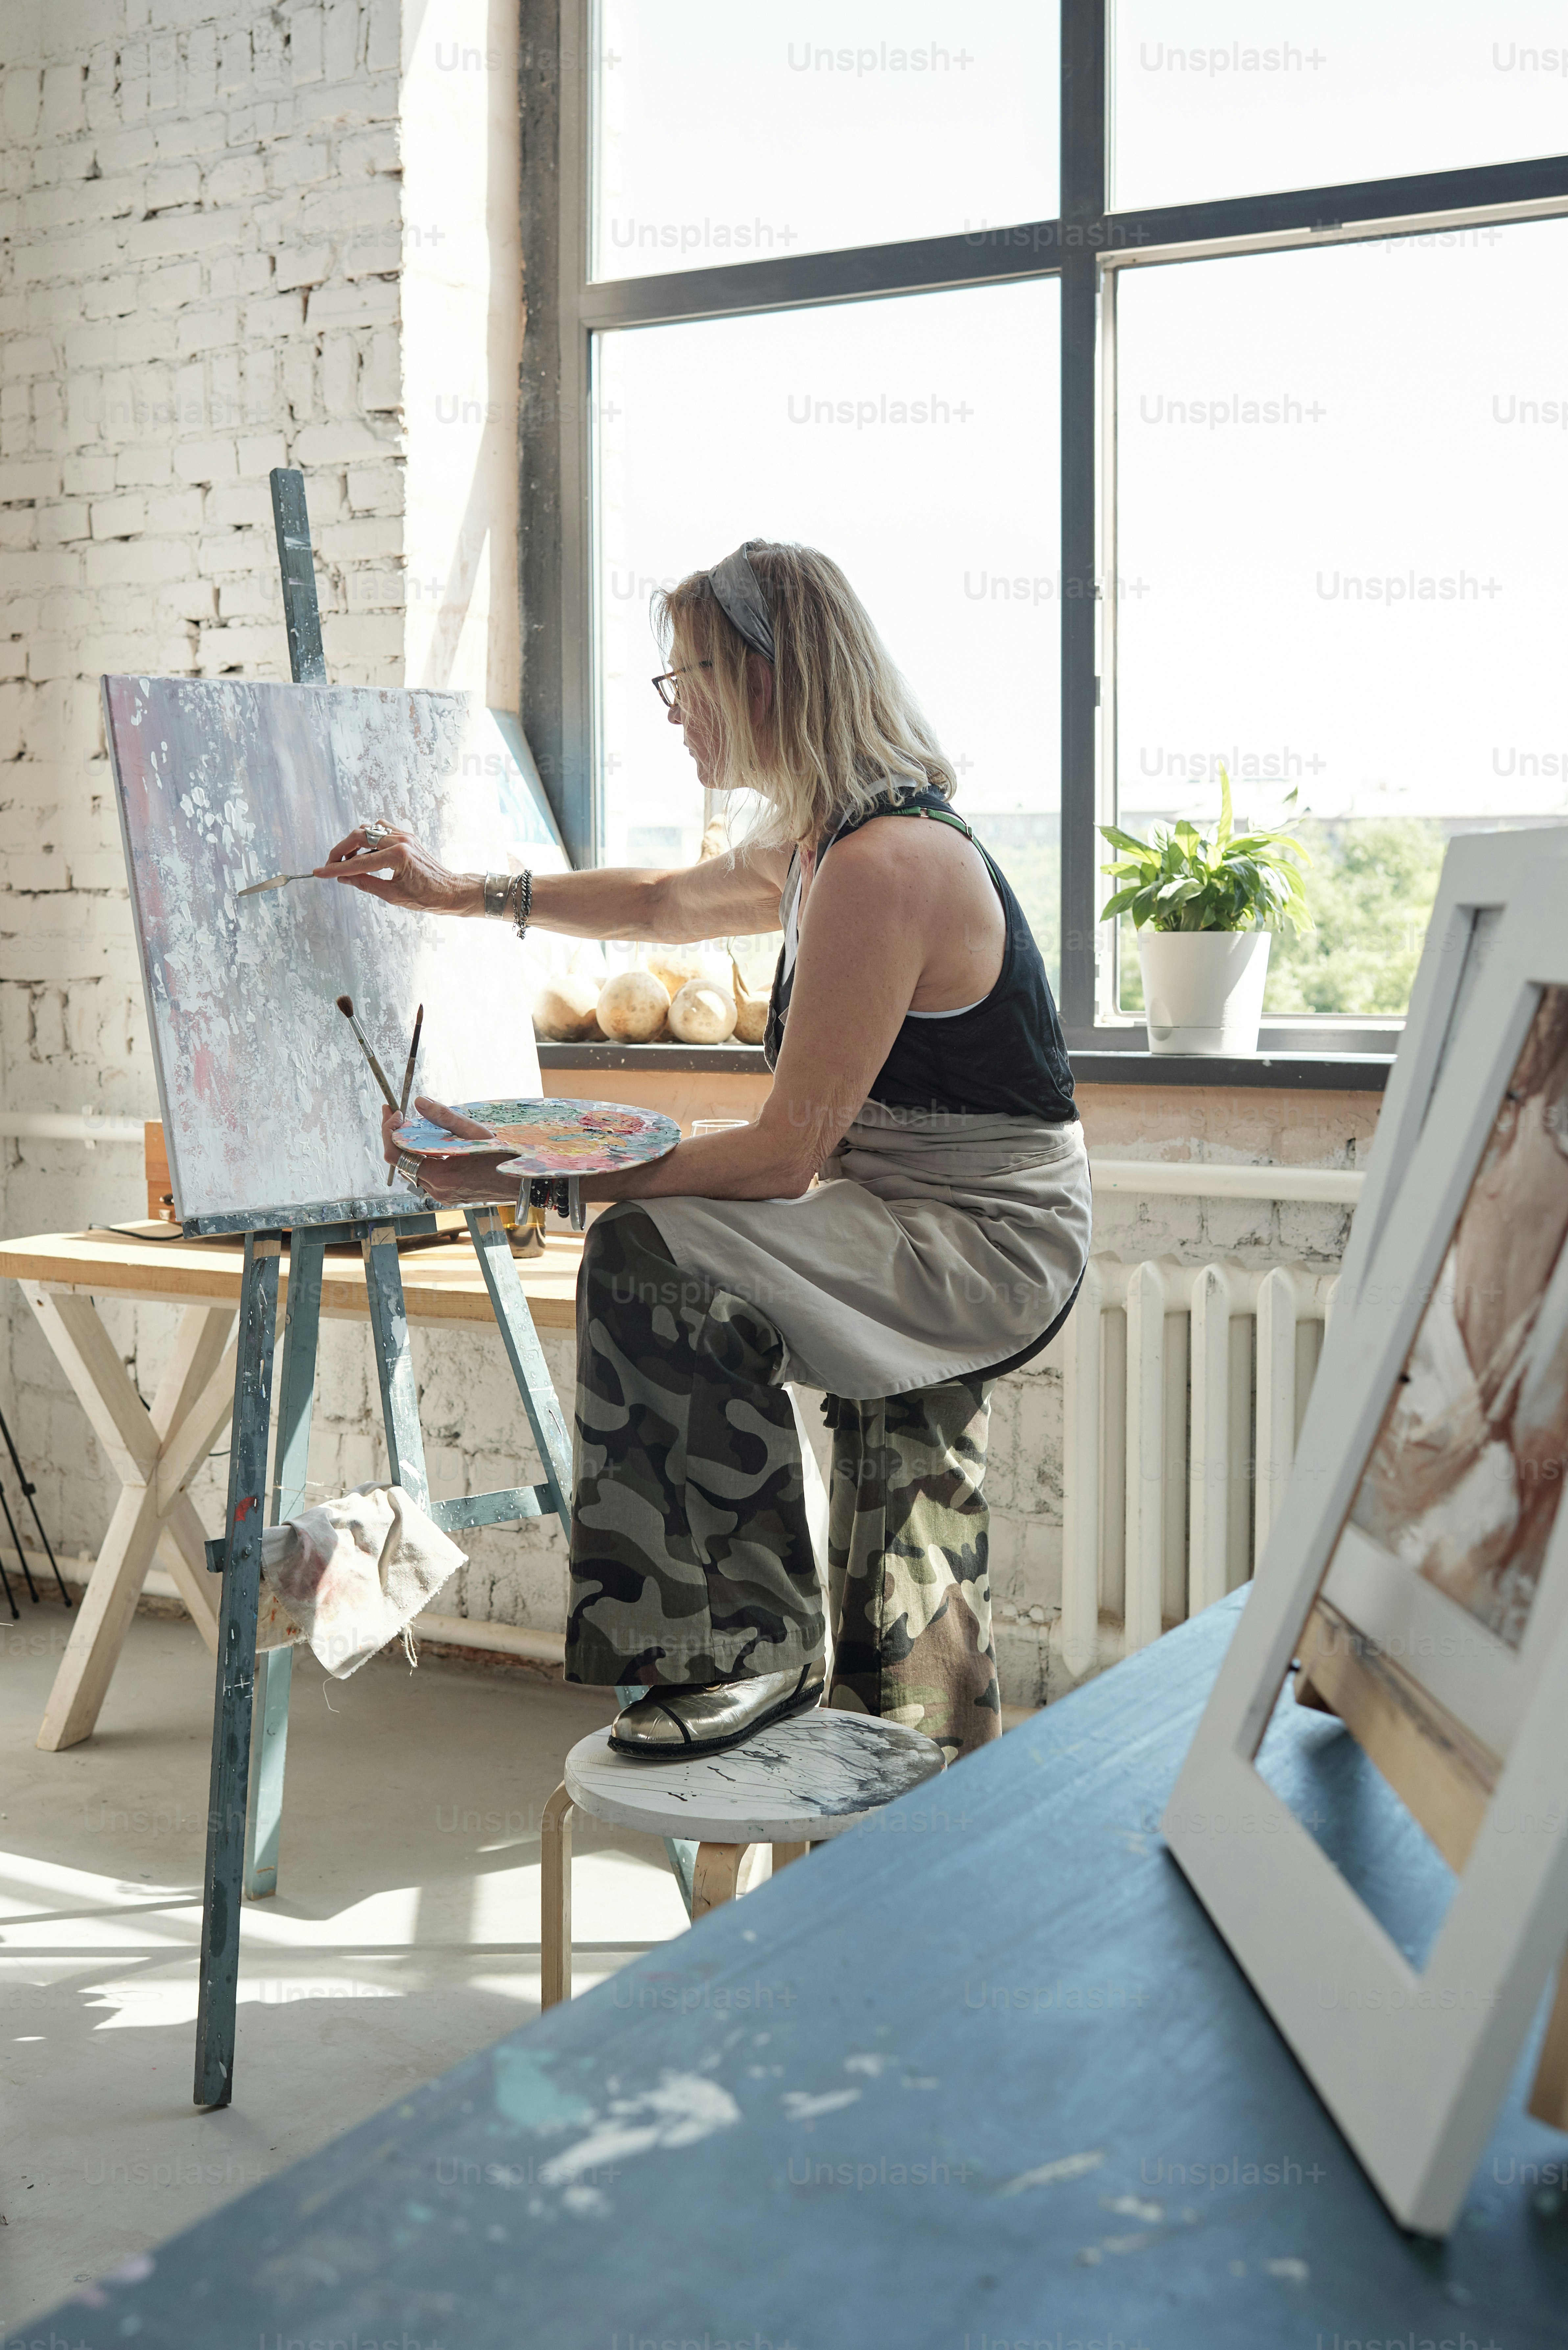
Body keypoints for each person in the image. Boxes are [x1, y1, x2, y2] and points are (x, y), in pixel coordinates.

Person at [317, 540, 1092, 1767]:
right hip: (905, 1206)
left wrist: (547, 1177)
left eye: (684, 679)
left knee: (648, 1256)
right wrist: (458, 893)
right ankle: (881, 1734)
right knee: (868, 1468)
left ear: (766, 680)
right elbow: (663, 905)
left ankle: (742, 1652)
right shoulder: (826, 844)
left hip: (980, 1236)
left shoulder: (882, 866)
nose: (673, 714)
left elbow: (785, 1156)